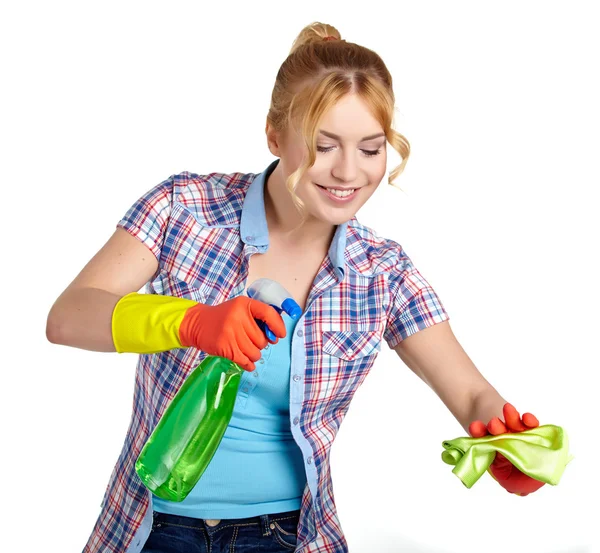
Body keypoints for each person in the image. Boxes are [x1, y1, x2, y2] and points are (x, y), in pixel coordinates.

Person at [46, 21, 545, 553]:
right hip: (150, 530)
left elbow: (469, 391)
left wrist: (507, 444)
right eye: (323, 145)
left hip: (286, 537)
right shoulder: (184, 209)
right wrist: (191, 322)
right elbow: (69, 315)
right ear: (274, 135)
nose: (348, 171)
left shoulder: (382, 272)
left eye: (371, 149)